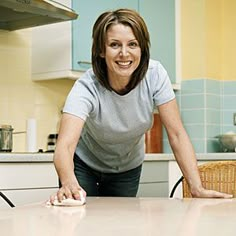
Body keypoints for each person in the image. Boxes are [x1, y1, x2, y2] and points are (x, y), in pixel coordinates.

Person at [51, 8, 232, 202]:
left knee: (120, 225)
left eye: (132, 44)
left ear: (142, 48)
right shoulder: (87, 86)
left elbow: (177, 134)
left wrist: (196, 188)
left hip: (127, 169)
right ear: (101, 51)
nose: (124, 53)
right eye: (114, 44)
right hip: (83, 165)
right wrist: (68, 182)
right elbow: (66, 145)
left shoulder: (155, 75)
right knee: (78, 222)